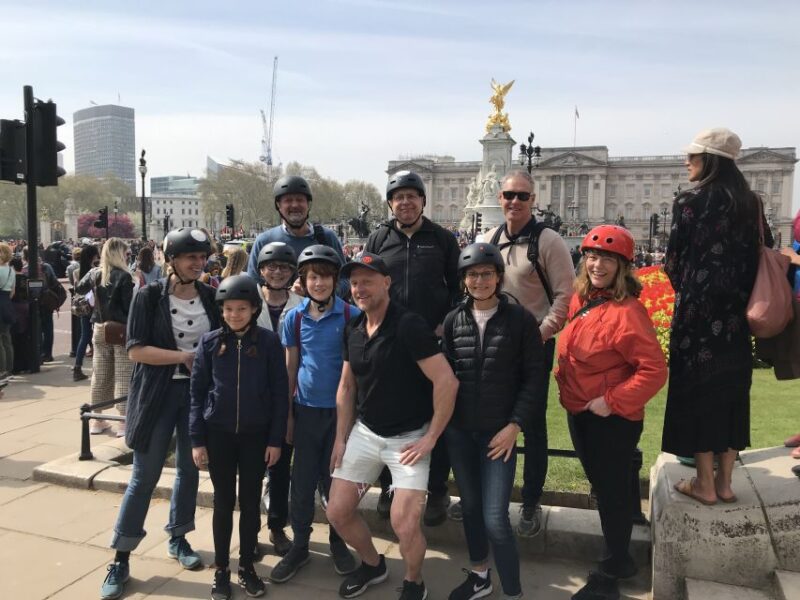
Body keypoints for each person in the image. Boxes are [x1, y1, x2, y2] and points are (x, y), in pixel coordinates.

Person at [326, 252, 459, 600]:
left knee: (404, 522)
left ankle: (414, 581)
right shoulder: (354, 328)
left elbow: (446, 381)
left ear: (386, 283)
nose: (359, 288)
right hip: (366, 432)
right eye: (355, 282)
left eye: (367, 281)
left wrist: (431, 437)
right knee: (337, 511)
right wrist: (340, 438)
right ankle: (373, 564)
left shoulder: (408, 325)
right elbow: (346, 387)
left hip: (409, 438)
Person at [99, 228, 220, 600]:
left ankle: (178, 536)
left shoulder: (210, 296)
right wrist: (184, 357)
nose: (198, 263)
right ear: (172, 260)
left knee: (189, 469)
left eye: (202, 257)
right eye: (190, 257)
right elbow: (136, 350)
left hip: (196, 397)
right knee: (144, 475)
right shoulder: (148, 296)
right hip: (157, 394)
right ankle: (121, 557)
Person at [556, 225, 667, 600]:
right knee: (606, 488)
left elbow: (654, 371)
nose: (597, 265)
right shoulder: (582, 299)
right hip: (582, 412)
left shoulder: (627, 312)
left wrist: (613, 401)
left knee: (612, 493)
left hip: (610, 419)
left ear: (622, 266)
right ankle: (618, 556)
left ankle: (614, 567)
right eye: (591, 256)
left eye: (607, 259)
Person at [662, 128, 766, 506]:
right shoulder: (751, 203)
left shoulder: (689, 201)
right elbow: (764, 251)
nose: (687, 162)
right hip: (736, 317)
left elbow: (673, 262)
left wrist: (695, 289)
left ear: (710, 160)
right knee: (732, 392)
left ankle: (704, 483)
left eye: (693, 156)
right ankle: (725, 483)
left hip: (697, 316)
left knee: (698, 394)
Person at [441, 243, 543, 600]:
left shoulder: (520, 320)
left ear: (499, 278)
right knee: (470, 508)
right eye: (472, 275)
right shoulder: (454, 320)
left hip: (499, 433)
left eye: (487, 274)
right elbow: (446, 377)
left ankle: (513, 591)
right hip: (460, 432)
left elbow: (534, 378)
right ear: (463, 280)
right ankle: (480, 576)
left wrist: (515, 425)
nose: (480, 281)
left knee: (495, 517)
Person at [479, 169, 575, 536]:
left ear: (533, 200)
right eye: (509, 195)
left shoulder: (548, 241)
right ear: (499, 198)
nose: (514, 201)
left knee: (532, 427)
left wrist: (540, 334)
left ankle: (531, 500)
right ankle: (490, 498)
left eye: (522, 195)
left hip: (534, 346)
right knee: (491, 421)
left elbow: (565, 296)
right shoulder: (489, 238)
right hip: (495, 345)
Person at [363, 170, 460, 526]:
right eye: (398, 197)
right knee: (389, 416)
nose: (405, 202)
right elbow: (364, 284)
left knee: (436, 416)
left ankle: (436, 489)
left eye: (411, 196)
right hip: (390, 344)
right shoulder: (378, 238)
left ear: (422, 201)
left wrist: (444, 323)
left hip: (431, 344)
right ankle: (390, 487)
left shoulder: (443, 239)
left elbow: (458, 288)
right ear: (390, 203)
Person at [190, 274, 289, 600]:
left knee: (249, 503)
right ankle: (221, 568)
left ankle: (247, 565)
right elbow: (197, 394)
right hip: (218, 435)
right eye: (229, 309)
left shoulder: (268, 343)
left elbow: (280, 394)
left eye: (242, 309)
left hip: (255, 437)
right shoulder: (209, 343)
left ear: (254, 309)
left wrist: (275, 439)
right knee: (222, 502)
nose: (234, 315)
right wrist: (197, 440)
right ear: (221, 310)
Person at [269, 245, 359, 584]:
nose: (318, 283)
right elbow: (290, 368)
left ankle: (338, 541)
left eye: (324, 277)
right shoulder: (294, 318)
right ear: (303, 282)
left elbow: (356, 372)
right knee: (302, 482)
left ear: (335, 280)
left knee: (336, 482)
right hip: (306, 411)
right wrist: (288, 415)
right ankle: (300, 545)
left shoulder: (350, 316)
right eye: (312, 278)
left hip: (339, 414)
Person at [254, 242, 303, 556]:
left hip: (286, 394)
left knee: (281, 466)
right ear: (261, 270)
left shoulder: (301, 304)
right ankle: (249, 529)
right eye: (271, 267)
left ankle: (276, 525)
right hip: (253, 395)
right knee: (250, 467)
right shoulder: (248, 300)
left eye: (284, 267)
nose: (277, 272)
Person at [247, 175, 347, 296]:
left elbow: (345, 279)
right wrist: (287, 296)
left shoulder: (327, 237)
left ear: (308, 205)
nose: (295, 205)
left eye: (300, 200)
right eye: (288, 200)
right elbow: (253, 285)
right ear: (278, 205)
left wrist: (319, 294)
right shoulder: (264, 241)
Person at [76, 239, 133, 436]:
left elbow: (79, 288)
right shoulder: (124, 276)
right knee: (123, 373)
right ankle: (123, 421)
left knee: (100, 374)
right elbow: (128, 307)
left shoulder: (95, 273)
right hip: (120, 328)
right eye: (125, 253)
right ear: (119, 254)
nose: (127, 256)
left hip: (99, 327)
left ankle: (97, 419)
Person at [72, 244, 100, 382]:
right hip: (96, 306)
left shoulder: (77, 271)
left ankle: (77, 367)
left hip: (84, 306)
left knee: (85, 336)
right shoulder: (96, 271)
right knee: (98, 336)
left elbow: (76, 288)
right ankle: (98, 368)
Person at [0, 242, 15, 381]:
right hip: (7, 303)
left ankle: (2, 370)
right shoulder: (11, 270)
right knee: (7, 338)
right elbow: (12, 292)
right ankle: (9, 370)